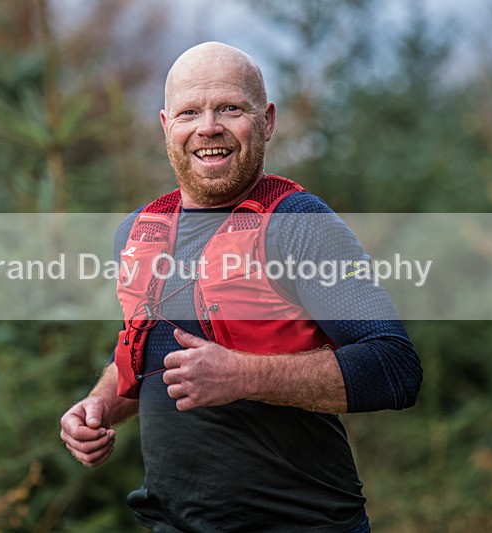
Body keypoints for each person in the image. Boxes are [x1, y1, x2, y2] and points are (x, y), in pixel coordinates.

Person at [60, 41, 422, 532]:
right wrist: (100, 404)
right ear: (167, 127)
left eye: (230, 108)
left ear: (267, 120)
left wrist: (245, 376)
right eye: (190, 112)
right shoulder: (137, 231)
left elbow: (395, 367)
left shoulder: (299, 224)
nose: (208, 127)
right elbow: (146, 355)